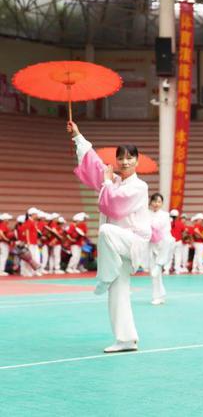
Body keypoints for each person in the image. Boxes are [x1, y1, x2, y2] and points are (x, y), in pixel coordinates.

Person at [68, 118, 151, 353]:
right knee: (118, 293)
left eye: (130, 158)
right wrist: (77, 136)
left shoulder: (139, 187)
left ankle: (103, 276)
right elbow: (93, 163)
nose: (125, 162)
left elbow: (114, 207)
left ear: (137, 160)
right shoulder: (112, 180)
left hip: (132, 241)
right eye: (121, 158)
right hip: (115, 248)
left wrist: (106, 183)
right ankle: (126, 339)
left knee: (105, 230)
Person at [147, 193, 175, 305]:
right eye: (154, 201)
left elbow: (164, 229)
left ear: (162, 203)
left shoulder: (165, 215)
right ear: (150, 202)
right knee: (154, 274)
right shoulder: (146, 214)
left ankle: (159, 264)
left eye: (159, 202)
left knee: (168, 240)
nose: (156, 204)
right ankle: (158, 296)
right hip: (151, 244)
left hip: (162, 242)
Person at [168, 209, 185, 275]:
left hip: (170, 241)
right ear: (177, 216)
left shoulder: (168, 223)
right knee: (178, 256)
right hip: (178, 241)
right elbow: (183, 232)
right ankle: (177, 270)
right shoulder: (180, 223)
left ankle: (166, 269)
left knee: (169, 256)